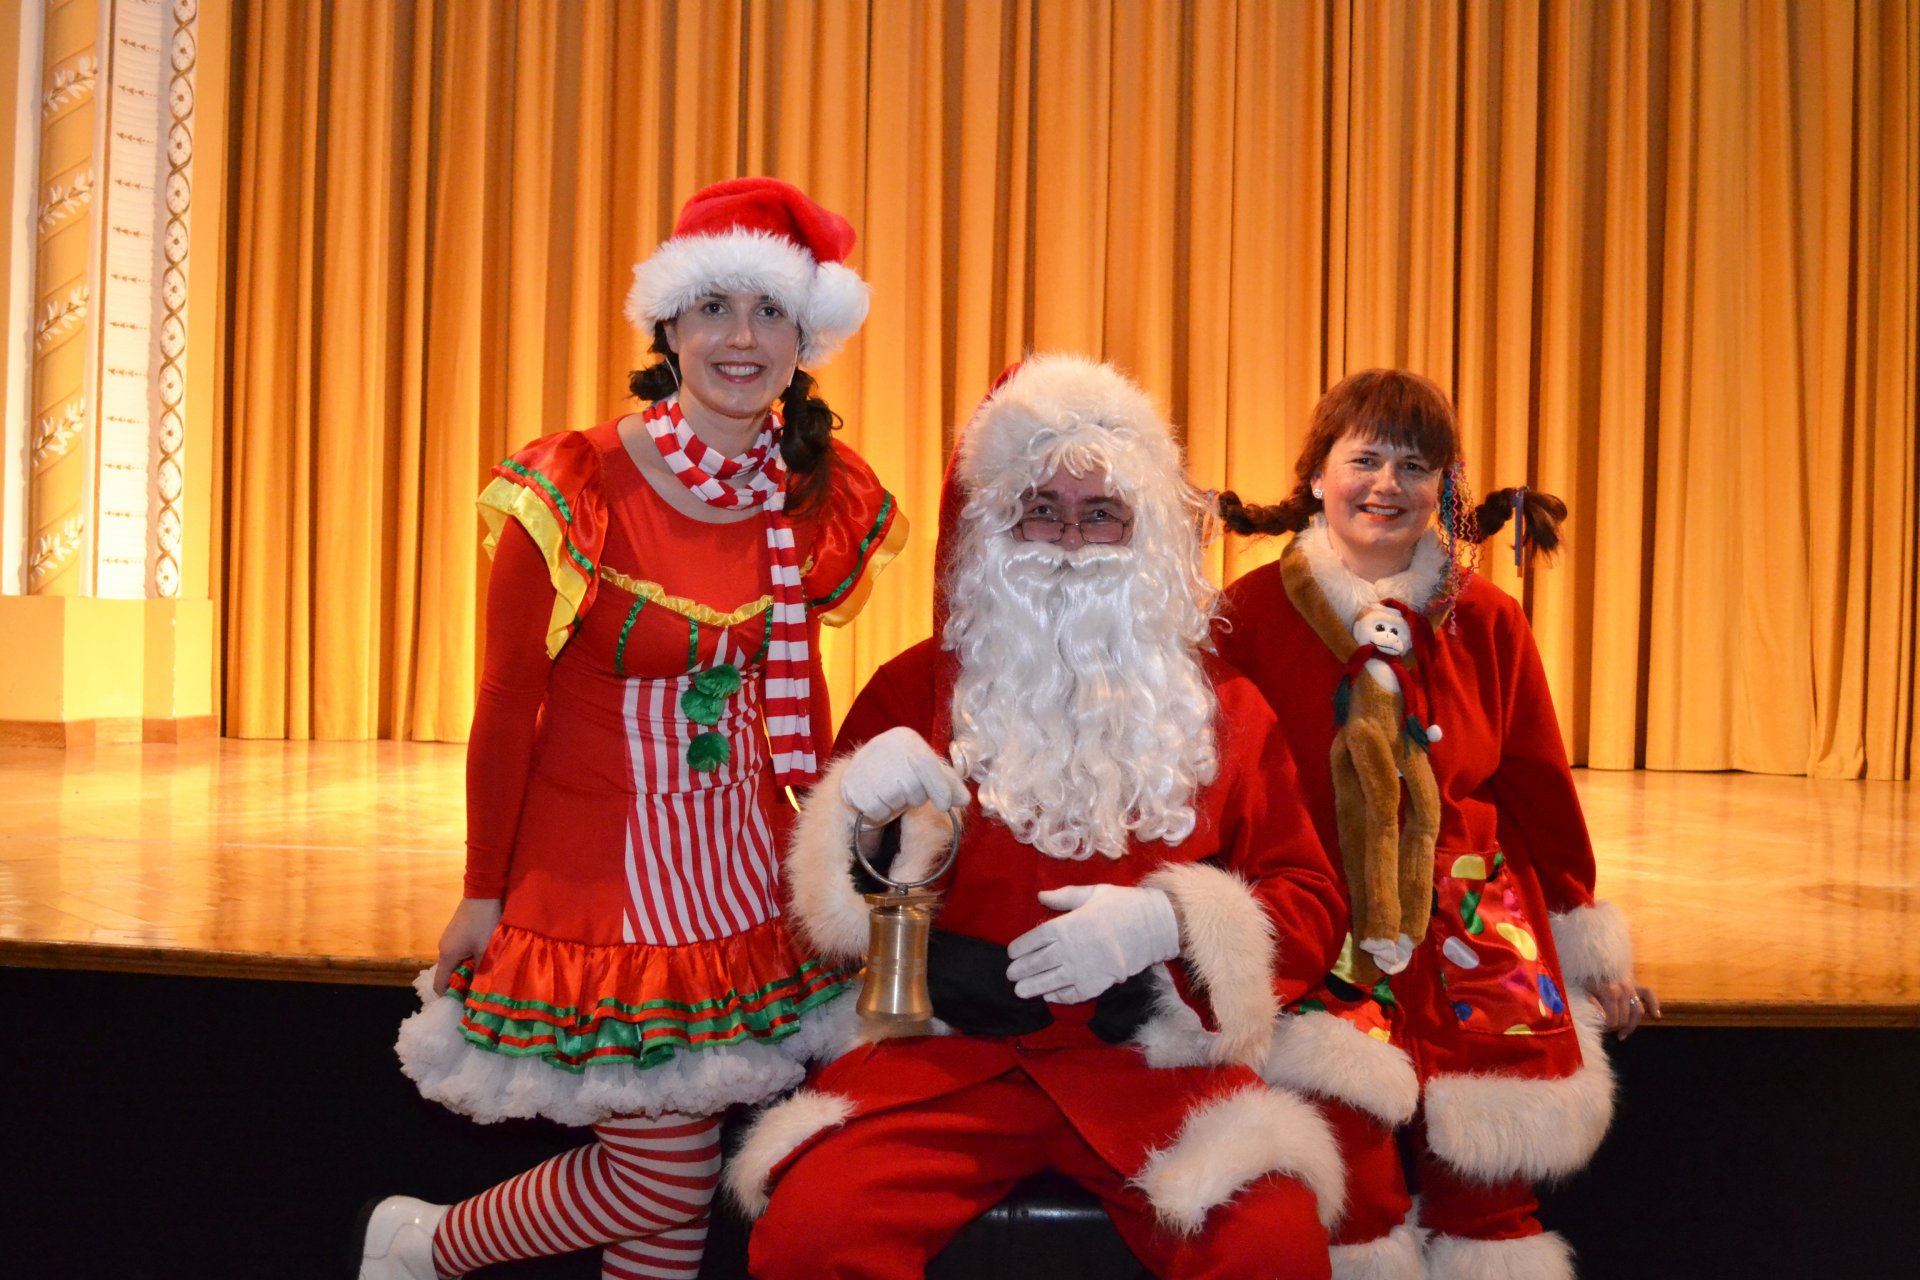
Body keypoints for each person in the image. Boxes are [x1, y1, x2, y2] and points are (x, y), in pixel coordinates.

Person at [356, 177, 907, 1280]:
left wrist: (836, 840)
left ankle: (419, 1247)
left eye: (769, 311)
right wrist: (482, 888)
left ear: (806, 337)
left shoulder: (813, 488)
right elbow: (506, 703)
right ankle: (420, 1244)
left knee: (671, 1183)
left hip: (739, 865)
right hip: (601, 871)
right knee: (660, 1174)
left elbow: (791, 678)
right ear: (668, 325)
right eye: (714, 308)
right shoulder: (575, 484)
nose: (741, 338)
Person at [726, 354, 1351, 1279]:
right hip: (947, 1063)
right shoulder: (913, 689)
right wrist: (853, 813)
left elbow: (1309, 898)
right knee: (814, 1237)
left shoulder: (1225, 708)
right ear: (994, 528)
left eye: (1100, 515)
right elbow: (835, 917)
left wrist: (1171, 924)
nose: (1068, 541)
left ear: (1144, 536)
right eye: (1040, 510)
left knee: (1272, 1249)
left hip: (1154, 1068)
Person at [1213, 369, 1660, 1280]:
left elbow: (1537, 788)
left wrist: (1588, 946)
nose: (1387, 484)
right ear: (1316, 475)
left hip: (1474, 937)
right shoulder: (1247, 617)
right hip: (1318, 927)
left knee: (1492, 1196)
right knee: (1348, 1192)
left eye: (1414, 466)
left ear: (1443, 488)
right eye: (1365, 460)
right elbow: (1213, 787)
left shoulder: (1489, 619)